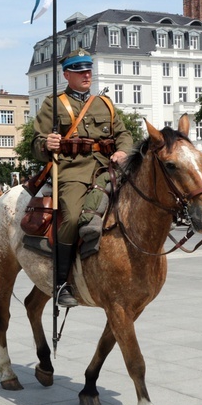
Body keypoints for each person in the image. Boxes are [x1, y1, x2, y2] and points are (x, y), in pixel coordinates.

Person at [32, 47, 133, 307]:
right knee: (73, 216)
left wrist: (123, 150)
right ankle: (61, 282)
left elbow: (123, 133)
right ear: (67, 75)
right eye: (79, 71)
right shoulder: (53, 104)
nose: (86, 74)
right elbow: (36, 142)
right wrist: (48, 144)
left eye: (88, 69)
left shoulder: (105, 104)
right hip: (71, 169)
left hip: (106, 166)